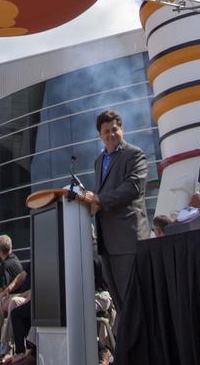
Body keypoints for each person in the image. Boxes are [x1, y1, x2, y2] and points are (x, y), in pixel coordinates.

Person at [77, 110, 149, 315]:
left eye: (114, 130)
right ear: (100, 134)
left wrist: (98, 199)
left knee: (135, 299)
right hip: (106, 242)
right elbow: (102, 193)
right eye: (106, 131)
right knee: (120, 302)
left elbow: (133, 187)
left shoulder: (134, 154)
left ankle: (145, 346)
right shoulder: (99, 161)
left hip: (127, 239)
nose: (111, 134)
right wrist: (87, 201)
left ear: (122, 129)